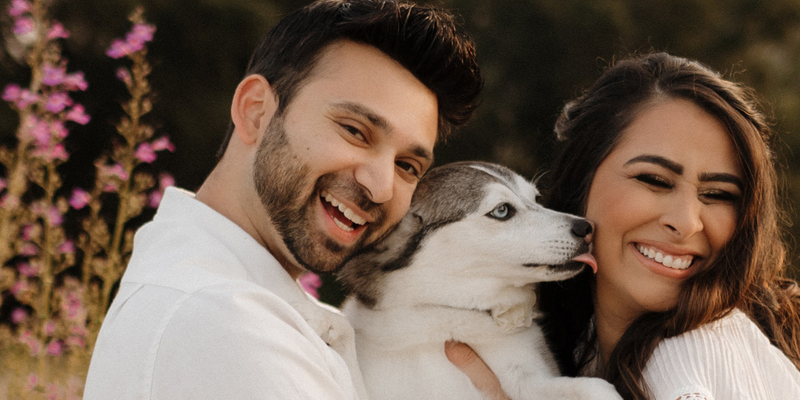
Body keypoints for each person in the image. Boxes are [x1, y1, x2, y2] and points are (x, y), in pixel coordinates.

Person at [83, 0, 482, 398]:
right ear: (255, 112)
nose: (381, 187)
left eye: (408, 166)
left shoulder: (223, 301)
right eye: (355, 131)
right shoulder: (223, 322)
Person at [449, 52, 800, 400]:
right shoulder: (574, 344)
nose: (686, 222)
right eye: (655, 180)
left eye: (718, 194)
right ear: (582, 181)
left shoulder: (687, 359)